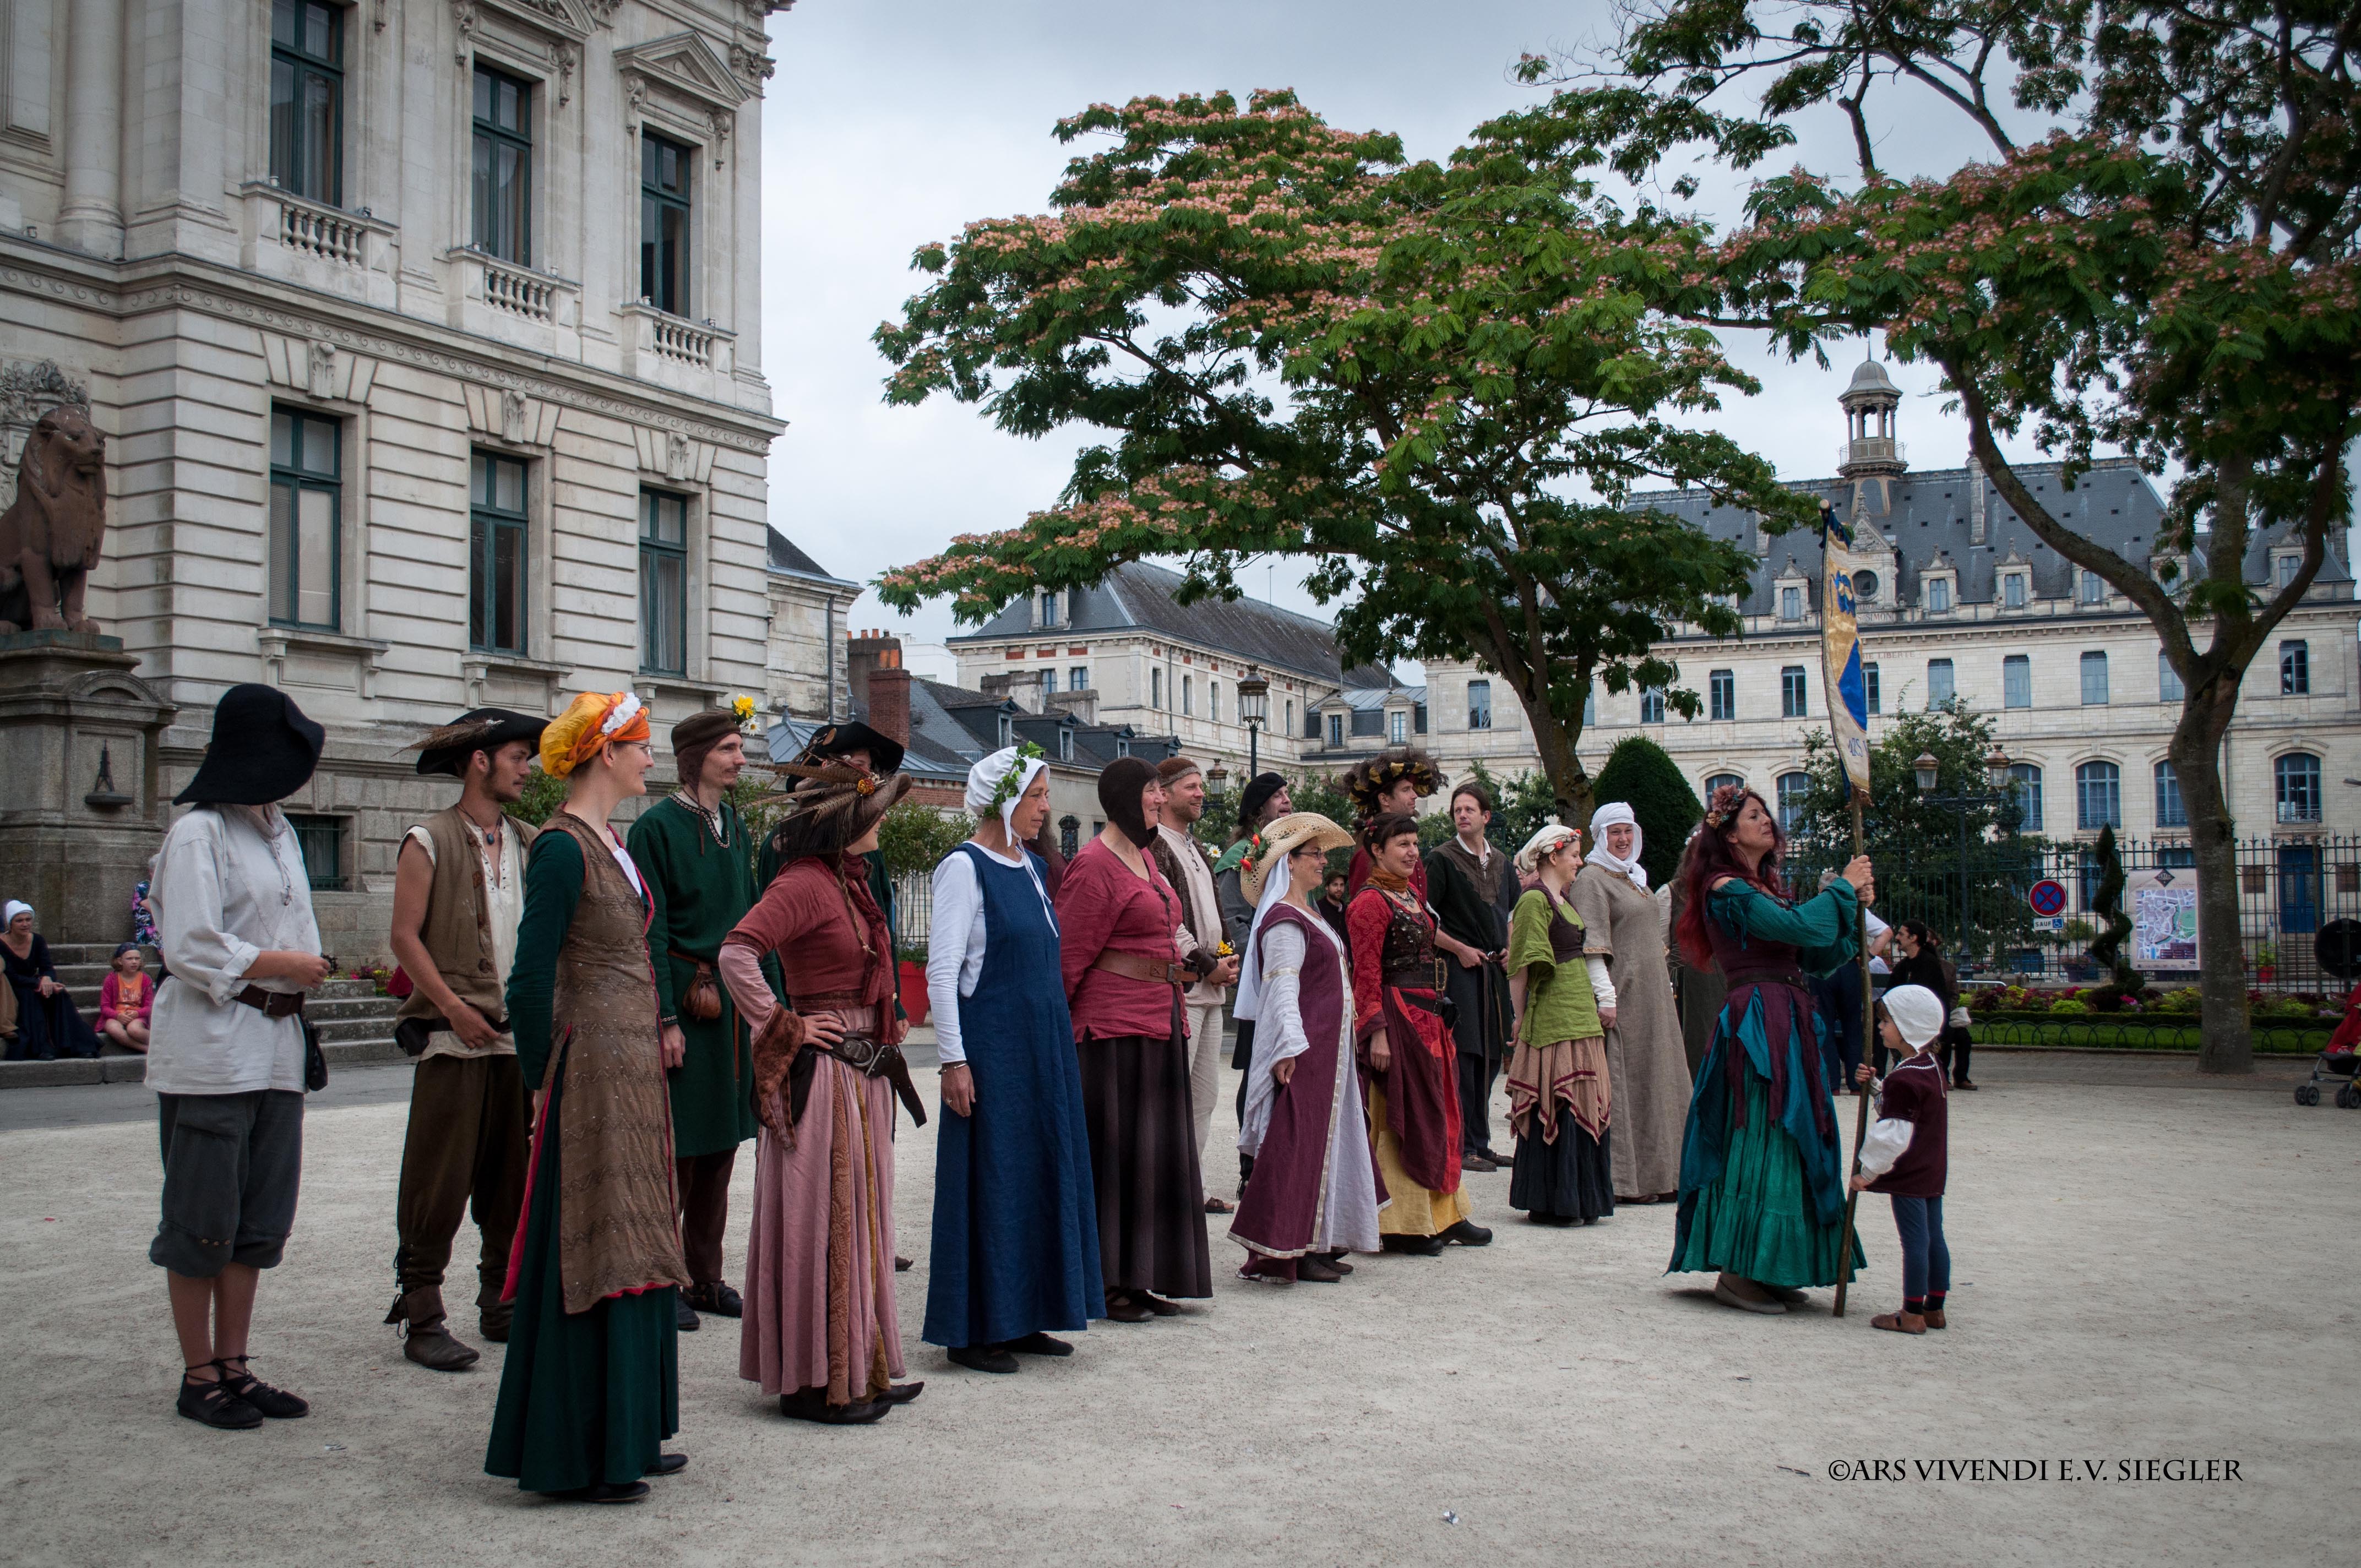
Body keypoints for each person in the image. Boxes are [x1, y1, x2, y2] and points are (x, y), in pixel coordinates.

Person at [486, 692, 687, 1504]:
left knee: (637, 1234)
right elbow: (530, 976)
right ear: (606, 753)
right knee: (594, 1243)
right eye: (640, 746)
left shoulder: (613, 841)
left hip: (630, 1067)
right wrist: (542, 1078)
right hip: (594, 1072)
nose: (650, 758)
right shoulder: (563, 849)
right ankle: (579, 1449)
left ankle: (630, 1431)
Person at [145, 684, 332, 1429]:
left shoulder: (278, 830)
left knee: (258, 1220)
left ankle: (235, 1363)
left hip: (276, 1046)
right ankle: (198, 1375)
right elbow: (189, 944)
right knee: (201, 1218)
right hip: (213, 1050)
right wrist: (286, 963)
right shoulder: (199, 832)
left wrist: (300, 970)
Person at [719, 759, 927, 1424]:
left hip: (863, 1074)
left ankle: (859, 1367)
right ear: (845, 825)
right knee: (823, 1220)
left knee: (861, 1219)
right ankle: (814, 1384)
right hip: (826, 1076)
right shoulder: (805, 883)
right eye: (874, 814)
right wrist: (784, 1022)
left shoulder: (848, 880)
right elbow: (736, 953)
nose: (882, 823)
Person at [923, 744, 1103, 1372]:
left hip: (1041, 1050)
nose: (1046, 807)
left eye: (1046, 794)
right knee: (994, 1179)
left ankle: (1026, 1314)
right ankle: (976, 1330)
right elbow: (942, 973)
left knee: (1036, 1176)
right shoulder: (963, 868)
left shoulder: (1031, 865)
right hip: (993, 1050)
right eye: (1036, 795)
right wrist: (954, 1061)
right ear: (1002, 800)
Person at [1669, 783, 1872, 1315]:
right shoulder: (1725, 888)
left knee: (1794, 1134)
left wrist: (1850, 911)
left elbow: (1816, 954)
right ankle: (1739, 1272)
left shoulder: (1767, 888)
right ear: (1731, 835)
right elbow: (1796, 926)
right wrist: (1842, 889)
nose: (1767, 822)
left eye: (1766, 814)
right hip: (1758, 1021)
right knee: (1763, 1129)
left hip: (1790, 1014)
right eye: (1754, 815)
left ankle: (1772, 1265)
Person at [383, 708, 544, 1372]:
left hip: (515, 1041)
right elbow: (403, 937)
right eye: (518, 756)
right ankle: (422, 1313)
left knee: (511, 1181)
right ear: (480, 760)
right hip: (453, 1040)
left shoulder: (531, 841)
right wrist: (452, 1007)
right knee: (437, 1180)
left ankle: (501, 1303)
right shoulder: (429, 839)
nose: (527, 769)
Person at [1056, 756, 1216, 1321]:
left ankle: (1144, 1276)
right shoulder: (1092, 865)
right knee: (1117, 1158)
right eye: (1151, 791)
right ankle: (1107, 1284)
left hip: (1160, 1021)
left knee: (1153, 1157)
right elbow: (1067, 960)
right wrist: (1055, 1041)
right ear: (1125, 796)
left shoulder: (1146, 856)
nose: (1158, 799)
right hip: (1111, 1034)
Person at [629, 708, 774, 1335]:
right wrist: (664, 1016)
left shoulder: (733, 825)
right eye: (729, 749)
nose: (741, 759)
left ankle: (704, 1276)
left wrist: (770, 1008)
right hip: (686, 1003)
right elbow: (649, 930)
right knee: (678, 1149)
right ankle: (661, 1280)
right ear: (696, 759)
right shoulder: (654, 829)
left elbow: (752, 918)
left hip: (731, 1006)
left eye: (739, 748)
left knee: (721, 1143)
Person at [1230, 812, 1381, 1282]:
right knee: (1300, 1146)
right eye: (1314, 854)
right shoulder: (1283, 920)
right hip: (1307, 1052)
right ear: (1288, 863)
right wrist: (1289, 1047)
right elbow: (1281, 988)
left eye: (1321, 853)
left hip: (1329, 1051)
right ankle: (1289, 1247)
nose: (1322, 861)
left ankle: (1321, 1239)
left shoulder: (1310, 914)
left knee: (1327, 1143)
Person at [1348, 812, 1486, 1255]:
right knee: (1402, 1116)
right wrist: (1377, 1032)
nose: (1413, 852)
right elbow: (1365, 974)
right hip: (1399, 1018)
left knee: (1438, 1112)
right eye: (1402, 845)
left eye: (1415, 843)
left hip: (1428, 1016)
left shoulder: (1409, 895)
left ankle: (1446, 1214)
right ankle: (1402, 1224)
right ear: (1377, 851)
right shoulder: (1369, 903)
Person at [1574, 802, 1692, 1204]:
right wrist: (1606, 998)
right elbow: (1592, 944)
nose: (1623, 839)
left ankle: (1667, 1174)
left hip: (1654, 996)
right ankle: (1630, 1181)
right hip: (1623, 995)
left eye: (1628, 831)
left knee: (1661, 1081)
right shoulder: (1592, 879)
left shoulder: (1634, 878)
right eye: (1614, 832)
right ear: (1600, 837)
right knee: (1632, 1083)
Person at [1503, 825, 1614, 1226]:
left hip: (1579, 1011)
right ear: (1554, 857)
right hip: (1553, 1015)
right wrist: (1520, 1018)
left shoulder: (1564, 900)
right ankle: (1555, 1200)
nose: (1579, 862)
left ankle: (1581, 1198)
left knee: (1583, 1096)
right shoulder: (1535, 900)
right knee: (1561, 1098)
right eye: (1574, 855)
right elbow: (1521, 966)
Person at [1148, 755, 1244, 1213]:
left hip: (1209, 987)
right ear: (1164, 793)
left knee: (1204, 1097)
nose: (1200, 793)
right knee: (1174, 1095)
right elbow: (1169, 922)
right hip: (1183, 986)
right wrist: (1209, 965)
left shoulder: (1196, 847)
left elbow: (1215, 918)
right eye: (1190, 786)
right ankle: (1165, 1193)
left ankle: (1191, 1187)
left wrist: (1226, 957)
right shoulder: (1155, 846)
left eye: (1201, 786)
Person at [1424, 781, 1517, 1171]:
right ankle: (1462, 1146)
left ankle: (1481, 1142)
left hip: (1494, 971)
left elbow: (1511, 914)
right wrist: (1459, 948)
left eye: (1469, 809)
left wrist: (1511, 947)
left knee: (1492, 1056)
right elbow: (1425, 920)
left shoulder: (1503, 862)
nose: (1462, 815)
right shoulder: (1440, 859)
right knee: (1464, 1057)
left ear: (1486, 816)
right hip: (1459, 970)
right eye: (1457, 810)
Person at [1849, 984, 1952, 1335]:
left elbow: (1893, 1136)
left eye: (1886, 1021)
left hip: (1909, 1172)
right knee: (1934, 1236)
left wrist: (1867, 1173)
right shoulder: (1930, 1066)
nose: (1880, 1027)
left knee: (1915, 1241)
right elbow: (1907, 1107)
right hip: (1932, 1168)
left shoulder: (1906, 1078)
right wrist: (1878, 1086)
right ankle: (1934, 1308)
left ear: (1908, 1025)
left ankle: (1911, 1314)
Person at [1214, 771, 1291, 1196]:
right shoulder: (1241, 856)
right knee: (1258, 1075)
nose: (1287, 801)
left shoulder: (1291, 851)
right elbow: (1231, 921)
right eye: (1278, 796)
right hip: (1260, 981)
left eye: (1287, 794)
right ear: (1259, 807)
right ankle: (1251, 1168)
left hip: (1294, 978)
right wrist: (1267, 959)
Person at [2, 903, 101, 1061]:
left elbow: (47, 967)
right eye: (19, 921)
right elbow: (11, 975)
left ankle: (78, 1046)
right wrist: (38, 984)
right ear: (10, 924)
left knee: (59, 994)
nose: (25, 924)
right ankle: (40, 1048)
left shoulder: (37, 940)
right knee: (30, 996)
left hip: (34, 981)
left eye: (28, 920)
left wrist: (47, 979)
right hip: (11, 986)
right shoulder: (2, 943)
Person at [1342, 747, 1440, 899]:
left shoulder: (1409, 843)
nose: (1415, 795)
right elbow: (1362, 907)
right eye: (1406, 790)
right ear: (1384, 799)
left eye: (1413, 789)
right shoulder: (1368, 854)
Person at [1887, 920, 1975, 1089]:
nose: (1897, 938)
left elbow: (1928, 997)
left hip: (1931, 1020)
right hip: (1911, 1018)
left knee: (1958, 1036)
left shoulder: (1929, 963)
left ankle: (1946, 1077)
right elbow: (1892, 992)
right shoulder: (1904, 966)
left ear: (1913, 938)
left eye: (1901, 934)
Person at [99, 943, 154, 1053]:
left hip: (137, 1015)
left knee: (134, 1030)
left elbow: (150, 1006)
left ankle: (163, 1044)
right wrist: (117, 1016)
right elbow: (104, 1007)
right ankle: (144, 1048)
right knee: (113, 1029)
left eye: (137, 959)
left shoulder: (145, 979)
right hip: (117, 1015)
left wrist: (137, 1014)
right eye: (129, 959)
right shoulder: (111, 979)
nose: (134, 962)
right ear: (120, 961)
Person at [1315, 870, 1351, 943]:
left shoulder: (1348, 911)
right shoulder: (1318, 909)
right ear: (1327, 887)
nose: (1339, 889)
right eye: (1335, 885)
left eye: (1342, 885)